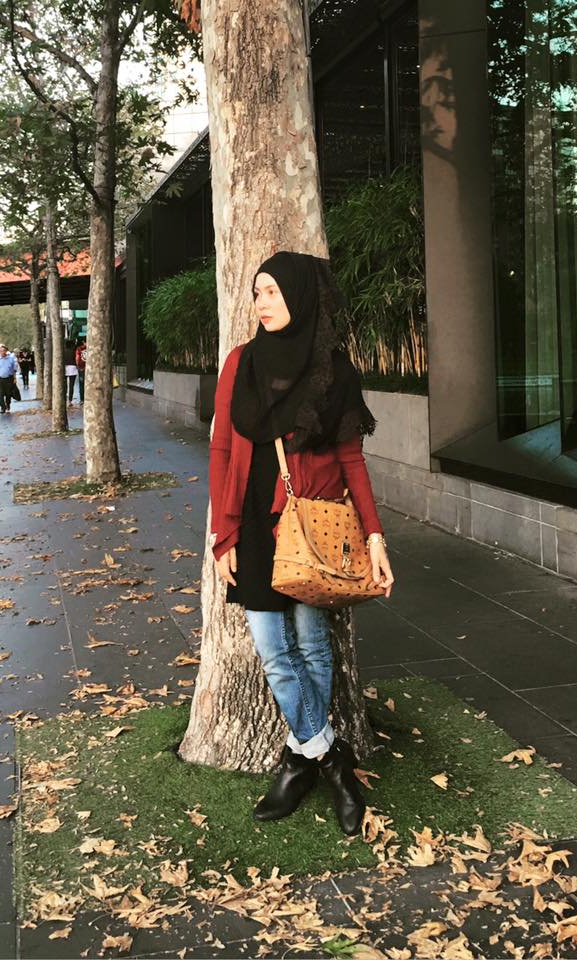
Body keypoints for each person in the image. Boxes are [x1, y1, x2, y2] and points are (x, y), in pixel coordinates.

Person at [209, 251, 395, 837]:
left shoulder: (334, 371)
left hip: (314, 531)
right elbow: (221, 450)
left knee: (314, 648)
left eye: (273, 292)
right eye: (257, 292)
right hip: (254, 528)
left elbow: (351, 459)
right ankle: (332, 760)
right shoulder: (240, 363)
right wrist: (223, 534)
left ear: (301, 296)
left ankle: (297, 759)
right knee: (274, 653)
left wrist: (375, 536)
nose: (262, 303)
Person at [0, 343, 19, 414]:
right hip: (0, 379)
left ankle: (8, 404)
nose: (2, 352)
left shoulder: (11, 359)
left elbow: (13, 370)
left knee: (8, 394)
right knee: (0, 394)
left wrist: (15, 378)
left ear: (6, 351)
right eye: (0, 351)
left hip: (9, 379)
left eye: (3, 350)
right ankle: (2, 407)